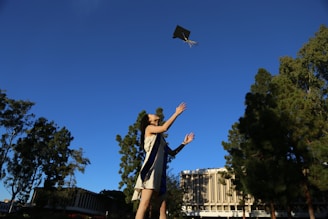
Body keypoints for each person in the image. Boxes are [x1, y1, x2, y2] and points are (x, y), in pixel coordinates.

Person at [132, 102, 195, 219]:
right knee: (144, 204)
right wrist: (176, 113)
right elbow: (164, 128)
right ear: (149, 121)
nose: (154, 114)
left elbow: (172, 153)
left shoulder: (160, 139)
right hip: (150, 171)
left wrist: (184, 143)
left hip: (159, 175)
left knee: (163, 209)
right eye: (151, 114)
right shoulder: (149, 128)